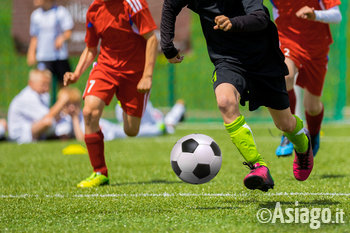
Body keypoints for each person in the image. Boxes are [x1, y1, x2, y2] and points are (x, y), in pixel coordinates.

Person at [161, 0, 314, 192]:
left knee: (285, 124)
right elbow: (171, 5)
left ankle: (303, 143)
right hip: (228, 60)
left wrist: (233, 23)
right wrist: (167, 45)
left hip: (263, 59)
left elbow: (261, 17)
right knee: (225, 101)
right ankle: (258, 167)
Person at [63, 0, 158, 188]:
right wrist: (76, 73)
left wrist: (147, 76)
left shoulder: (134, 4)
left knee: (131, 130)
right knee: (89, 112)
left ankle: (123, 101)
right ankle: (99, 172)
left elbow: (152, 39)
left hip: (135, 74)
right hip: (106, 69)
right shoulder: (94, 9)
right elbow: (91, 49)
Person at [272, 0, 342, 157]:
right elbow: (276, 11)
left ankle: (314, 134)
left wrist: (315, 14)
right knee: (285, 76)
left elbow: (337, 15)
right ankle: (289, 131)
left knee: (312, 106)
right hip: (288, 40)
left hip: (316, 47)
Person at [55, 87, 186, 141]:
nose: (72, 108)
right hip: (112, 133)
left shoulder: (82, 115)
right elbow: (81, 138)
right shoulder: (66, 121)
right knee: (148, 128)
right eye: (67, 105)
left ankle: (173, 113)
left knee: (139, 124)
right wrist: (73, 119)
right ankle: (163, 126)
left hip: (111, 128)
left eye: (75, 104)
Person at [8, 69, 70, 144]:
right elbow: (47, 117)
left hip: (31, 129)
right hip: (21, 135)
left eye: (48, 84)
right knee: (47, 122)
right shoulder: (27, 97)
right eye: (43, 84)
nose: (47, 88)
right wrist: (61, 102)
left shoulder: (42, 95)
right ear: (31, 83)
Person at [27, 0, 74, 88]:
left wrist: (62, 38)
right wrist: (31, 52)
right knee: (43, 84)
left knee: (64, 85)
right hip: (43, 56)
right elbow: (34, 37)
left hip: (60, 56)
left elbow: (68, 32)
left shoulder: (61, 12)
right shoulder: (35, 15)